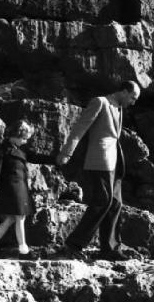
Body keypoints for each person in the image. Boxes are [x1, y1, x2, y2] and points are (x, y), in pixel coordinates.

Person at [56, 80, 141, 261]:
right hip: (99, 161)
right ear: (124, 91)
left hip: (115, 162)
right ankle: (73, 245)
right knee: (102, 201)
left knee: (115, 204)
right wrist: (66, 153)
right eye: (133, 97)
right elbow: (79, 128)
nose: (133, 102)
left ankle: (110, 248)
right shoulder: (100, 102)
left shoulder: (119, 107)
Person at [0, 120, 54, 260]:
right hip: (11, 187)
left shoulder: (21, 149)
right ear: (15, 135)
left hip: (21, 186)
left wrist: (56, 160)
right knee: (20, 217)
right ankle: (24, 250)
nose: (24, 141)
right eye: (23, 138)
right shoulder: (1, 147)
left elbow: (36, 157)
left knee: (11, 218)